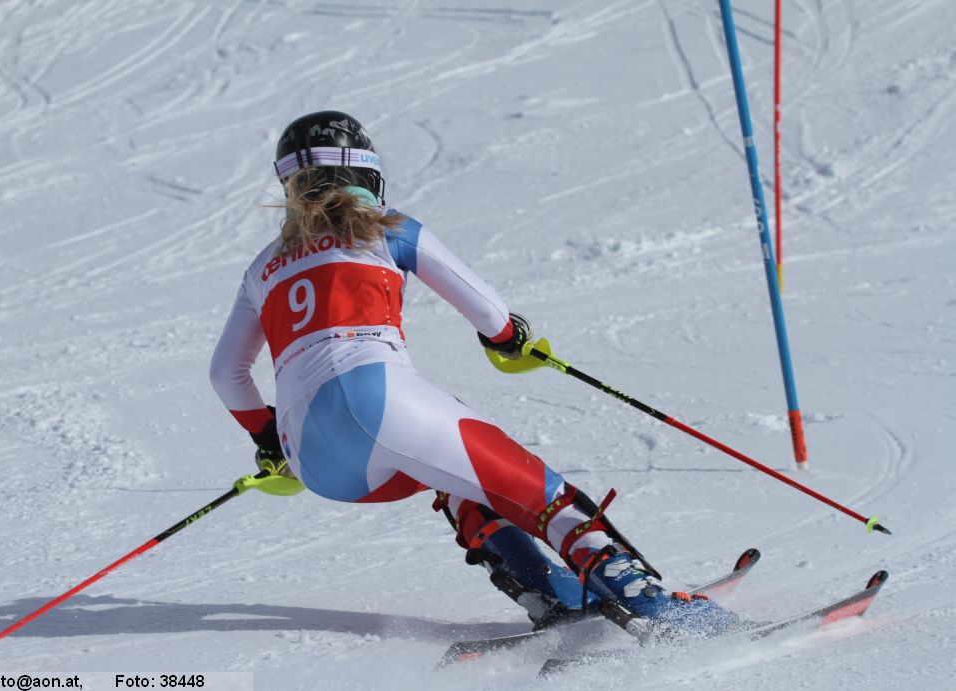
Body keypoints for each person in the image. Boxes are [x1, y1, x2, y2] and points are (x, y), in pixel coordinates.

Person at [209, 110, 740, 637]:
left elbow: (226, 374)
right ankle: (656, 609)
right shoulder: (387, 227)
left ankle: (545, 590)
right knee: (543, 496)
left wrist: (269, 438)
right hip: (381, 397)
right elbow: (487, 310)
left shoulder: (261, 267)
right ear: (364, 169)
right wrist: (508, 338)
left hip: (314, 456)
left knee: (451, 475)